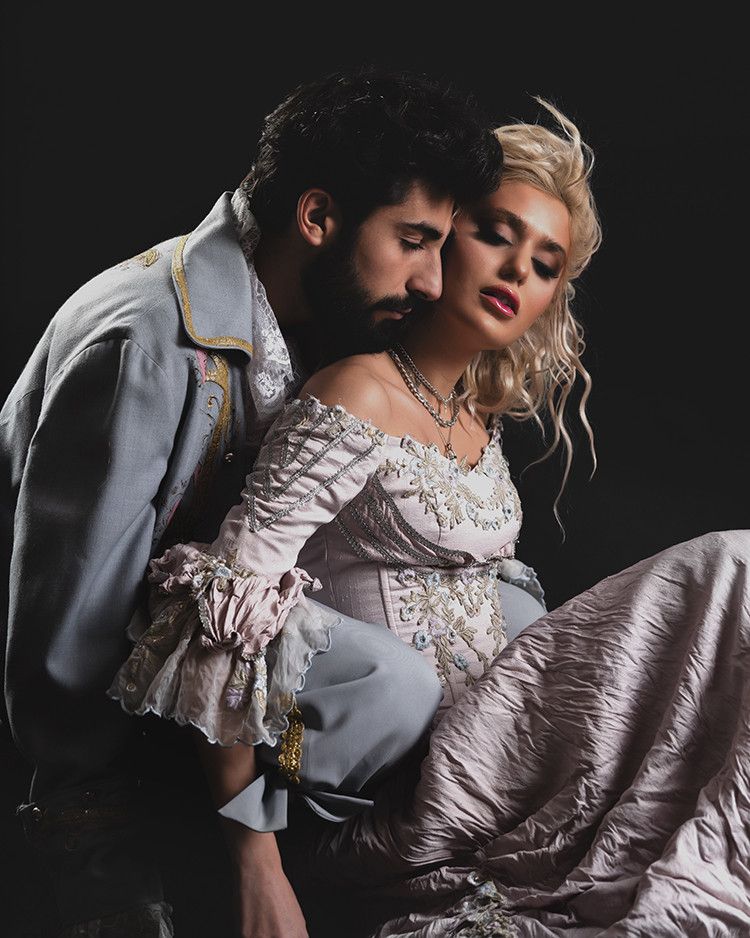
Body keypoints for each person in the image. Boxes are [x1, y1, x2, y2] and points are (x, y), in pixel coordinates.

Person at [111, 100, 749, 937]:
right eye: (496, 234)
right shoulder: (357, 393)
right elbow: (220, 610)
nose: (516, 271)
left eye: (545, 264)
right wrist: (253, 860)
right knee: (730, 568)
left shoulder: (477, 423)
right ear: (444, 236)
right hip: (356, 788)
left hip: (492, 761)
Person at [0, 67, 506, 937]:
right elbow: (62, 643)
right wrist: (103, 859)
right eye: (414, 241)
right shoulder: (146, 345)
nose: (432, 280)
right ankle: (238, 838)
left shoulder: (318, 313)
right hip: (122, 715)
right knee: (388, 686)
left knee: (497, 620)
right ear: (317, 217)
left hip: (218, 652)